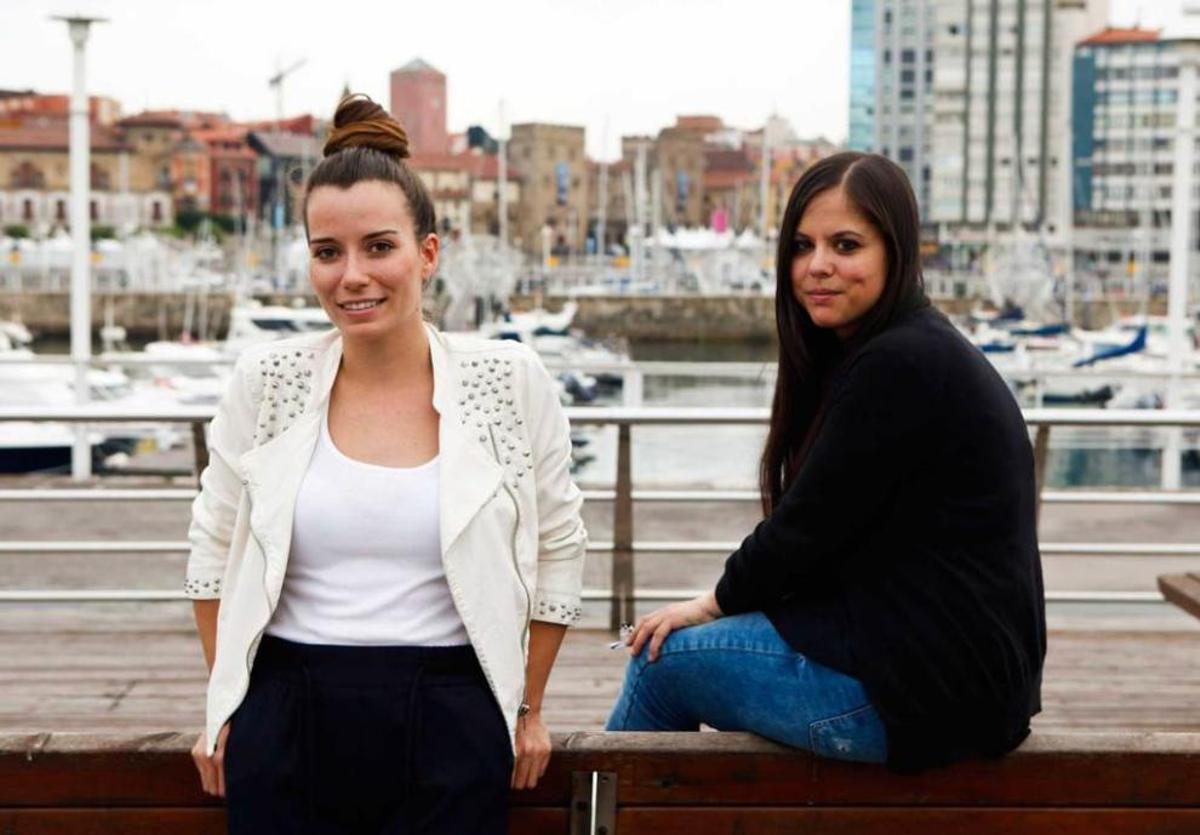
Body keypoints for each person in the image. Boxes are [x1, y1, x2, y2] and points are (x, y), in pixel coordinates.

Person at [185, 94, 587, 833]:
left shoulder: (507, 378)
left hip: (454, 706)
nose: (352, 276)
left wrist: (526, 706)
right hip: (285, 706)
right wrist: (225, 699)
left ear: (427, 252)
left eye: (379, 246)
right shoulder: (266, 379)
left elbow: (559, 547)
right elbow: (213, 552)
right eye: (327, 252)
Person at [607, 152, 1046, 774]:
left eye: (846, 245)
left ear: (896, 251)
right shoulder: (917, 349)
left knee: (660, 664)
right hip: (960, 687)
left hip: (919, 702)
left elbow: (803, 531)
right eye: (802, 246)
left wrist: (709, 605)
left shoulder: (900, 363)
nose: (818, 267)